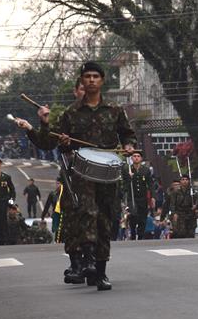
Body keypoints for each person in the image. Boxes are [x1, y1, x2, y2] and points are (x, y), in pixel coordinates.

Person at [28, 61, 137, 291]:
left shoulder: (115, 110)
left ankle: (101, 272)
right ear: (82, 81)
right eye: (87, 76)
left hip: (108, 173)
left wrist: (128, 146)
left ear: (102, 80)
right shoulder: (70, 113)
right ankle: (87, 261)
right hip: (82, 174)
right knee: (87, 213)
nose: (91, 80)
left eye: (95, 76)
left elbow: (128, 134)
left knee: (105, 220)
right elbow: (49, 142)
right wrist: (46, 125)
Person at [15, 78, 86, 284]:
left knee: (96, 221)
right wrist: (39, 125)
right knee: (71, 220)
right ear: (75, 91)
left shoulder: (109, 113)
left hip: (97, 178)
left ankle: (95, 263)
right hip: (73, 177)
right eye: (82, 87)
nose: (88, 88)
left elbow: (117, 139)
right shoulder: (65, 116)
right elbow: (46, 142)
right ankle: (76, 263)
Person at [122, 150, 155, 240]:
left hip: (143, 198)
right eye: (134, 156)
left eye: (138, 156)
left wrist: (153, 196)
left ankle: (140, 235)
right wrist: (129, 177)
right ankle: (133, 232)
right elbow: (124, 184)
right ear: (132, 158)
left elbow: (150, 184)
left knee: (142, 217)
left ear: (141, 158)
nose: (136, 158)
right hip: (132, 197)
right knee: (133, 215)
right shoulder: (128, 169)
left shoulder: (146, 170)